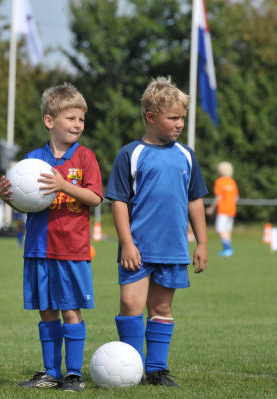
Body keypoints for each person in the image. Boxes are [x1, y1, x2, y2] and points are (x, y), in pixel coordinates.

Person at [0, 83, 103, 391]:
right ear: (49, 121)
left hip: (72, 249)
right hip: (39, 248)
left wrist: (63, 185)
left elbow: (95, 198)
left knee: (70, 309)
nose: (77, 125)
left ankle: (73, 374)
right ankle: (49, 372)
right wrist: (7, 197)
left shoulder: (85, 158)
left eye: (81, 119)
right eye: (70, 118)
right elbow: (23, 200)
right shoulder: (33, 160)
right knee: (47, 311)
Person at [105, 77, 209, 387]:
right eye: (173, 118)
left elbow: (195, 200)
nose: (179, 124)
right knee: (130, 305)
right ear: (151, 117)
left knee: (162, 308)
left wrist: (202, 242)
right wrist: (126, 244)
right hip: (138, 249)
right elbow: (119, 202)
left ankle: (156, 370)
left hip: (174, 249)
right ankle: (131, 367)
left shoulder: (187, 156)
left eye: (182, 118)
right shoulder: (131, 154)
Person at [206, 161, 239, 257]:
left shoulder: (219, 181)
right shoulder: (232, 181)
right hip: (232, 210)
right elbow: (236, 197)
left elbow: (218, 197)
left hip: (223, 210)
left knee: (220, 229)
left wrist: (211, 208)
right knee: (227, 230)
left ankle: (227, 248)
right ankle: (229, 249)